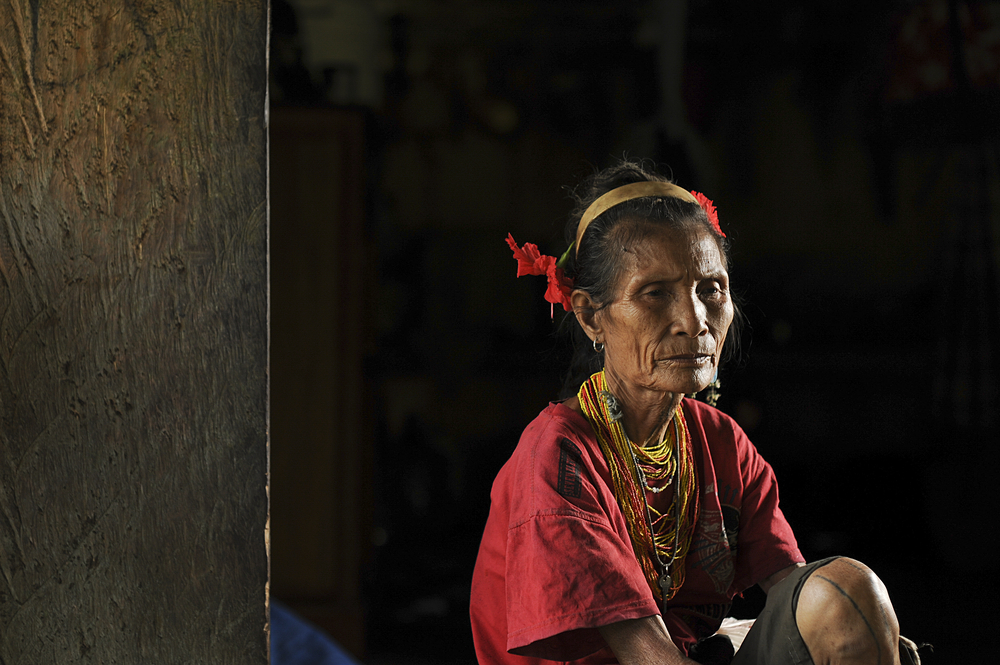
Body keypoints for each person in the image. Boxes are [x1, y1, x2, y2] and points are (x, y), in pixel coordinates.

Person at [470, 160, 919, 665]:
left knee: (848, 589)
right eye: (655, 293)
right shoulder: (558, 457)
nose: (694, 321)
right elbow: (651, 656)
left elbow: (804, 598)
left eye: (711, 289)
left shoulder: (718, 439)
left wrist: (863, 629)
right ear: (591, 315)